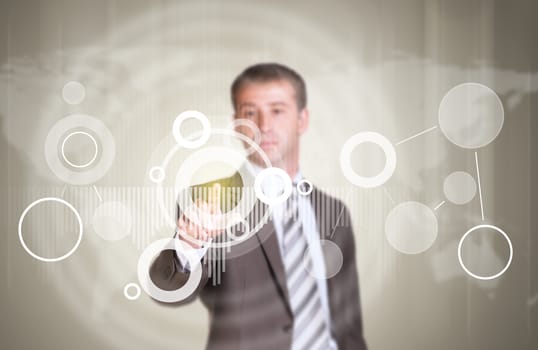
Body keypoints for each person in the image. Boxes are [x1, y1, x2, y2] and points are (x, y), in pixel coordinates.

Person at [150, 63, 367, 350]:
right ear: (237, 123)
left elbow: (348, 321)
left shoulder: (334, 212)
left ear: (302, 120)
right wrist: (188, 248)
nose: (264, 125)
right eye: (251, 112)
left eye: (277, 110)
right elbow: (167, 291)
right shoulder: (207, 203)